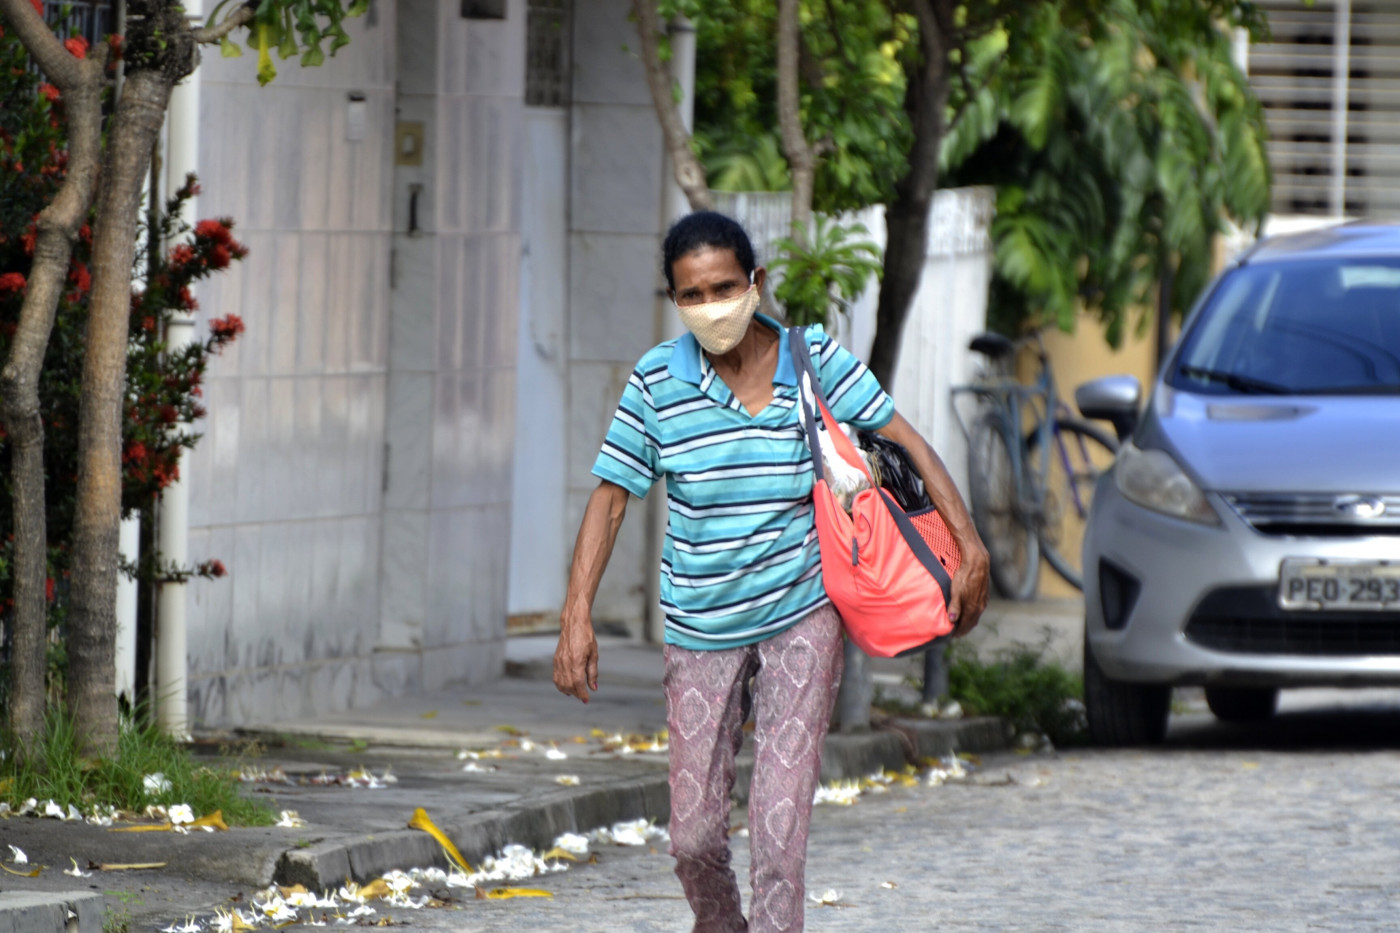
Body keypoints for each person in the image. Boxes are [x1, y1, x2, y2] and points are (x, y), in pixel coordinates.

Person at [553, 211, 990, 933]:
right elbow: (610, 501)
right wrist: (576, 615)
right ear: (674, 299)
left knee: (779, 838)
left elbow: (901, 435)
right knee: (692, 838)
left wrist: (969, 545)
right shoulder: (657, 381)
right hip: (701, 624)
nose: (710, 307)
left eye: (724, 287)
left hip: (801, 614)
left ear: (756, 283)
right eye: (691, 295)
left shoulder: (810, 358)